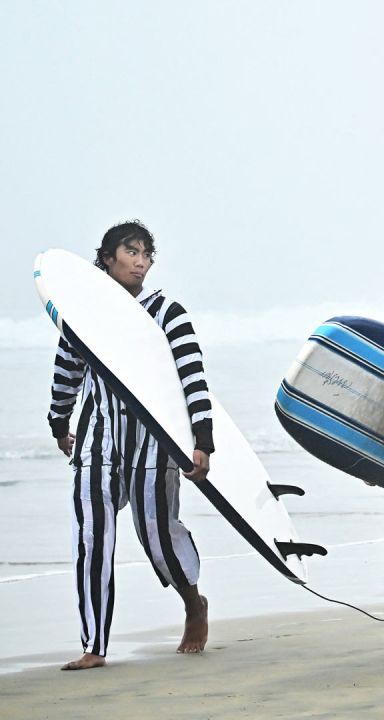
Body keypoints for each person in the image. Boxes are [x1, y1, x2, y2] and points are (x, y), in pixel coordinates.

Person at [48, 221, 212, 671]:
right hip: (98, 441)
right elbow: (67, 373)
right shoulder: (81, 314)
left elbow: (193, 378)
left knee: (157, 535)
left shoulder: (167, 312)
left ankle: (193, 603)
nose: (141, 261)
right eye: (131, 251)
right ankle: (94, 645)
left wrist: (203, 440)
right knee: (92, 538)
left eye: (147, 254)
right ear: (107, 258)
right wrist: (59, 422)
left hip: (154, 442)